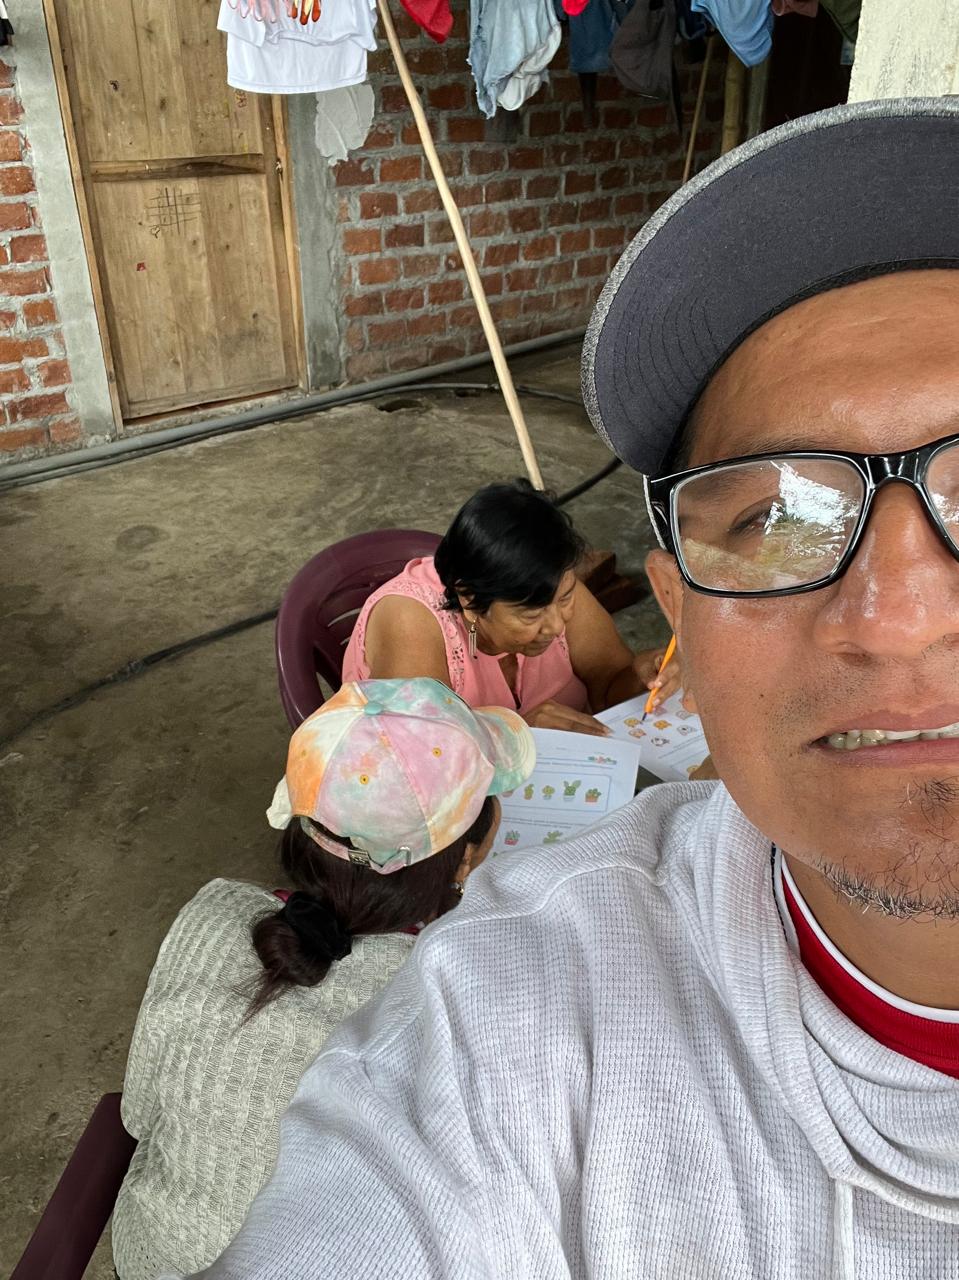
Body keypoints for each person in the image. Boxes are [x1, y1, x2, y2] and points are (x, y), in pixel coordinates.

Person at [186, 99, 959, 1279]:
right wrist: (523, 726)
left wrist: (602, 693)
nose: (899, 616)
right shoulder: (512, 1007)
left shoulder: (555, 605)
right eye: (776, 520)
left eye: (568, 600)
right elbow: (428, 764)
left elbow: (608, 677)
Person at [112, 678, 533, 1280]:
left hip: (157, 1258)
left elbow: (139, 1116)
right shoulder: (463, 995)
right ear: (466, 858)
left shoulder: (209, 918)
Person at [341, 479, 681, 736]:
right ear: (469, 600)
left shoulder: (551, 586)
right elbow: (420, 759)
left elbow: (609, 688)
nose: (556, 626)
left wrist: (643, 676)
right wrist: (514, 737)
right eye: (531, 614)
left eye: (564, 599)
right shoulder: (410, 621)